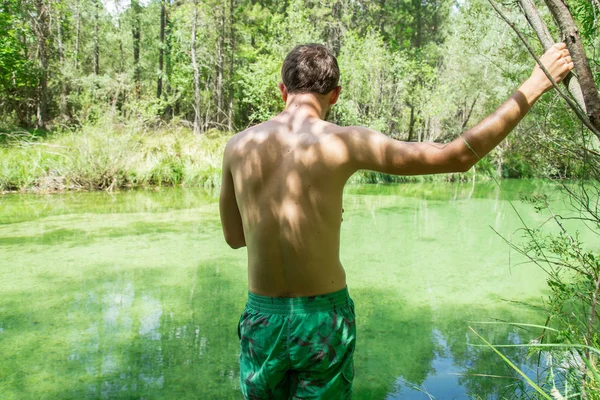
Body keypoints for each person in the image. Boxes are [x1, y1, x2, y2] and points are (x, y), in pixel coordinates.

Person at [219, 42, 573, 399]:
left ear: (283, 90)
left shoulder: (238, 146)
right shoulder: (345, 142)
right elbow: (456, 157)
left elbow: (235, 237)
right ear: (335, 95)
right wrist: (535, 83)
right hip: (322, 319)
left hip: (262, 319)